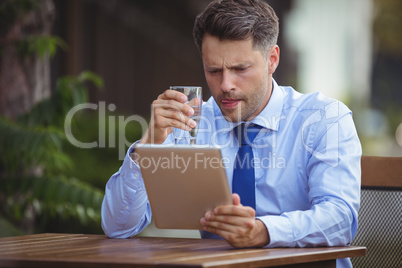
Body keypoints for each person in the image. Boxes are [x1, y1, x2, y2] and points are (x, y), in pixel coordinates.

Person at [101, 0, 361, 267]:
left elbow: (340, 220)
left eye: (240, 69)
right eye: (213, 70)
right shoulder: (191, 122)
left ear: (272, 60)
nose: (225, 85)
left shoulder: (324, 119)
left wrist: (262, 232)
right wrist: (150, 144)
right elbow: (118, 228)